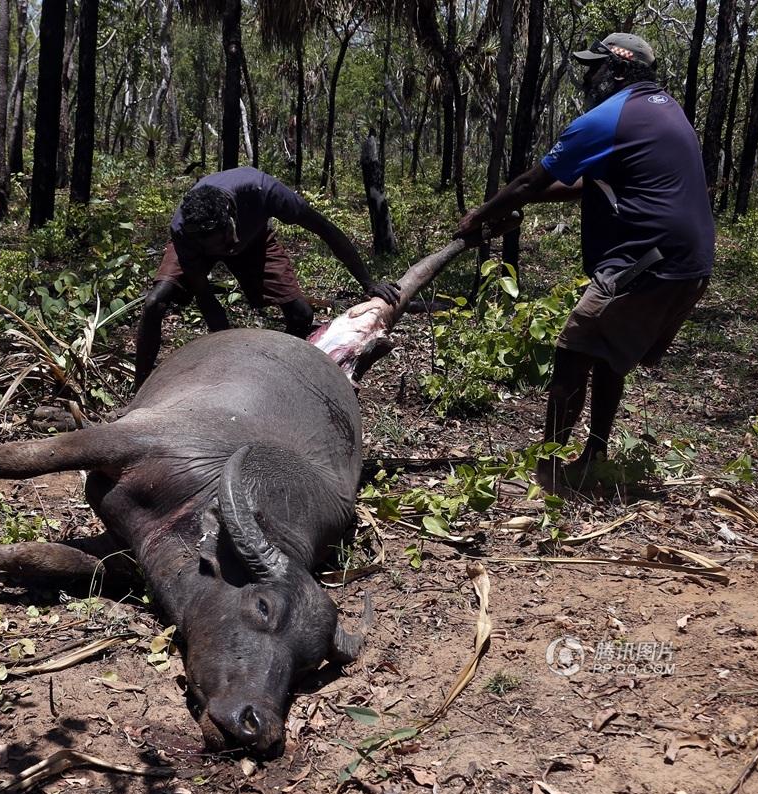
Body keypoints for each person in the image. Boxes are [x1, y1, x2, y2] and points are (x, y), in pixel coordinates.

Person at [455, 33, 715, 490]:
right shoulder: (662, 108)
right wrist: (524, 205)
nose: (586, 78)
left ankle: (548, 472)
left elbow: (529, 181)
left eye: (592, 69)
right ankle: (593, 456)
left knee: (573, 352)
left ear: (616, 70)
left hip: (646, 261)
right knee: (609, 357)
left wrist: (479, 216)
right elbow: (588, 185)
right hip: (690, 264)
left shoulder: (605, 118)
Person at [134, 166, 400, 388]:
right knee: (155, 302)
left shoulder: (263, 191)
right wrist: (230, 353)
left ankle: (284, 376)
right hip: (199, 247)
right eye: (214, 248)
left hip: (253, 241)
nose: (222, 253)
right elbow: (205, 297)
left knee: (301, 314)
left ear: (231, 215)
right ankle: (140, 387)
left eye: (224, 241)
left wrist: (368, 282)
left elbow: (325, 230)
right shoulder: (184, 229)